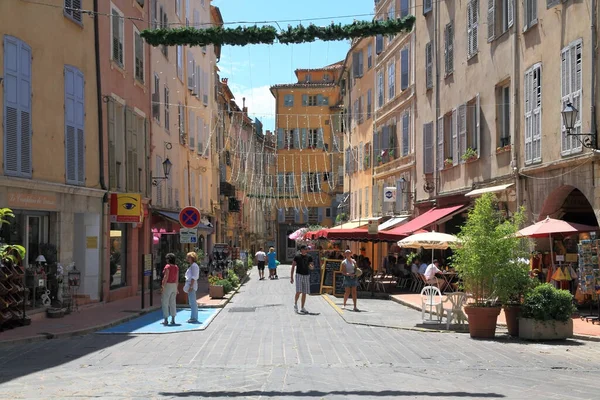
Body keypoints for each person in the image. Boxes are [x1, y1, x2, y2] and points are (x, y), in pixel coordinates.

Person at [290, 245, 314, 314]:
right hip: (299, 275)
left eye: (306, 249)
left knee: (304, 292)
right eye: (305, 249)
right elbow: (293, 267)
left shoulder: (309, 257)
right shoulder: (297, 257)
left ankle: (302, 307)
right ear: (302, 250)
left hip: (306, 275)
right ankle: (295, 304)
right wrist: (291, 277)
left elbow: (311, 266)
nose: (306, 250)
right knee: (299, 291)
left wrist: (311, 267)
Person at [161, 253, 179, 325]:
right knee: (173, 302)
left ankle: (166, 319)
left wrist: (163, 286)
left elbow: (166, 277)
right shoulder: (176, 267)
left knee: (165, 302)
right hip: (174, 285)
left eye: (166, 259)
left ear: (169, 259)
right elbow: (177, 278)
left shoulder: (167, 267)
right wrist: (177, 288)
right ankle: (173, 319)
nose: (166, 260)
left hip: (168, 285)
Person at [183, 252, 199, 323]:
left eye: (188, 257)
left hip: (191, 285)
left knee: (192, 302)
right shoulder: (192, 266)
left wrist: (191, 286)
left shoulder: (194, 266)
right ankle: (193, 317)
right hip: (190, 285)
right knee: (192, 301)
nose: (187, 259)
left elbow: (194, 277)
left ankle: (194, 317)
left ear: (192, 258)